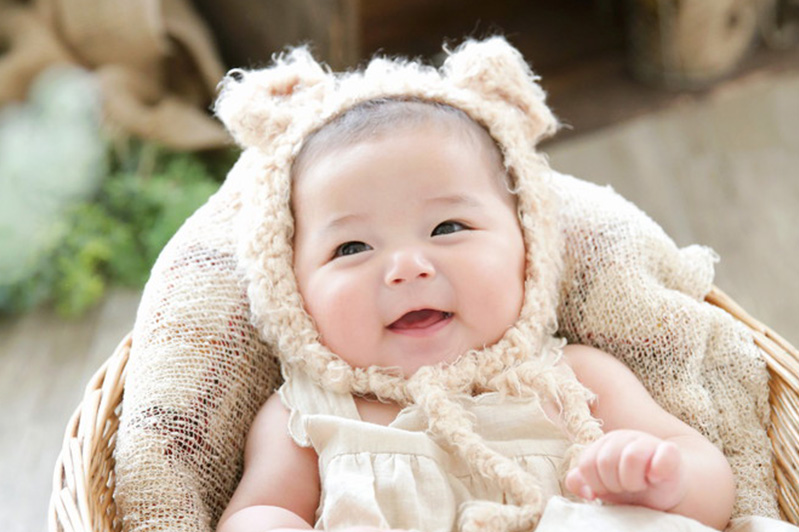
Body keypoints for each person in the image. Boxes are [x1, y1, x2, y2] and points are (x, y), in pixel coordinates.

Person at [214, 39, 736, 532]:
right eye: (352, 249)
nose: (407, 268)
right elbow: (258, 511)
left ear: (528, 247)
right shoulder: (307, 417)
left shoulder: (571, 380)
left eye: (448, 228)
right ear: (291, 291)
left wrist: (661, 476)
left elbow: (711, 490)